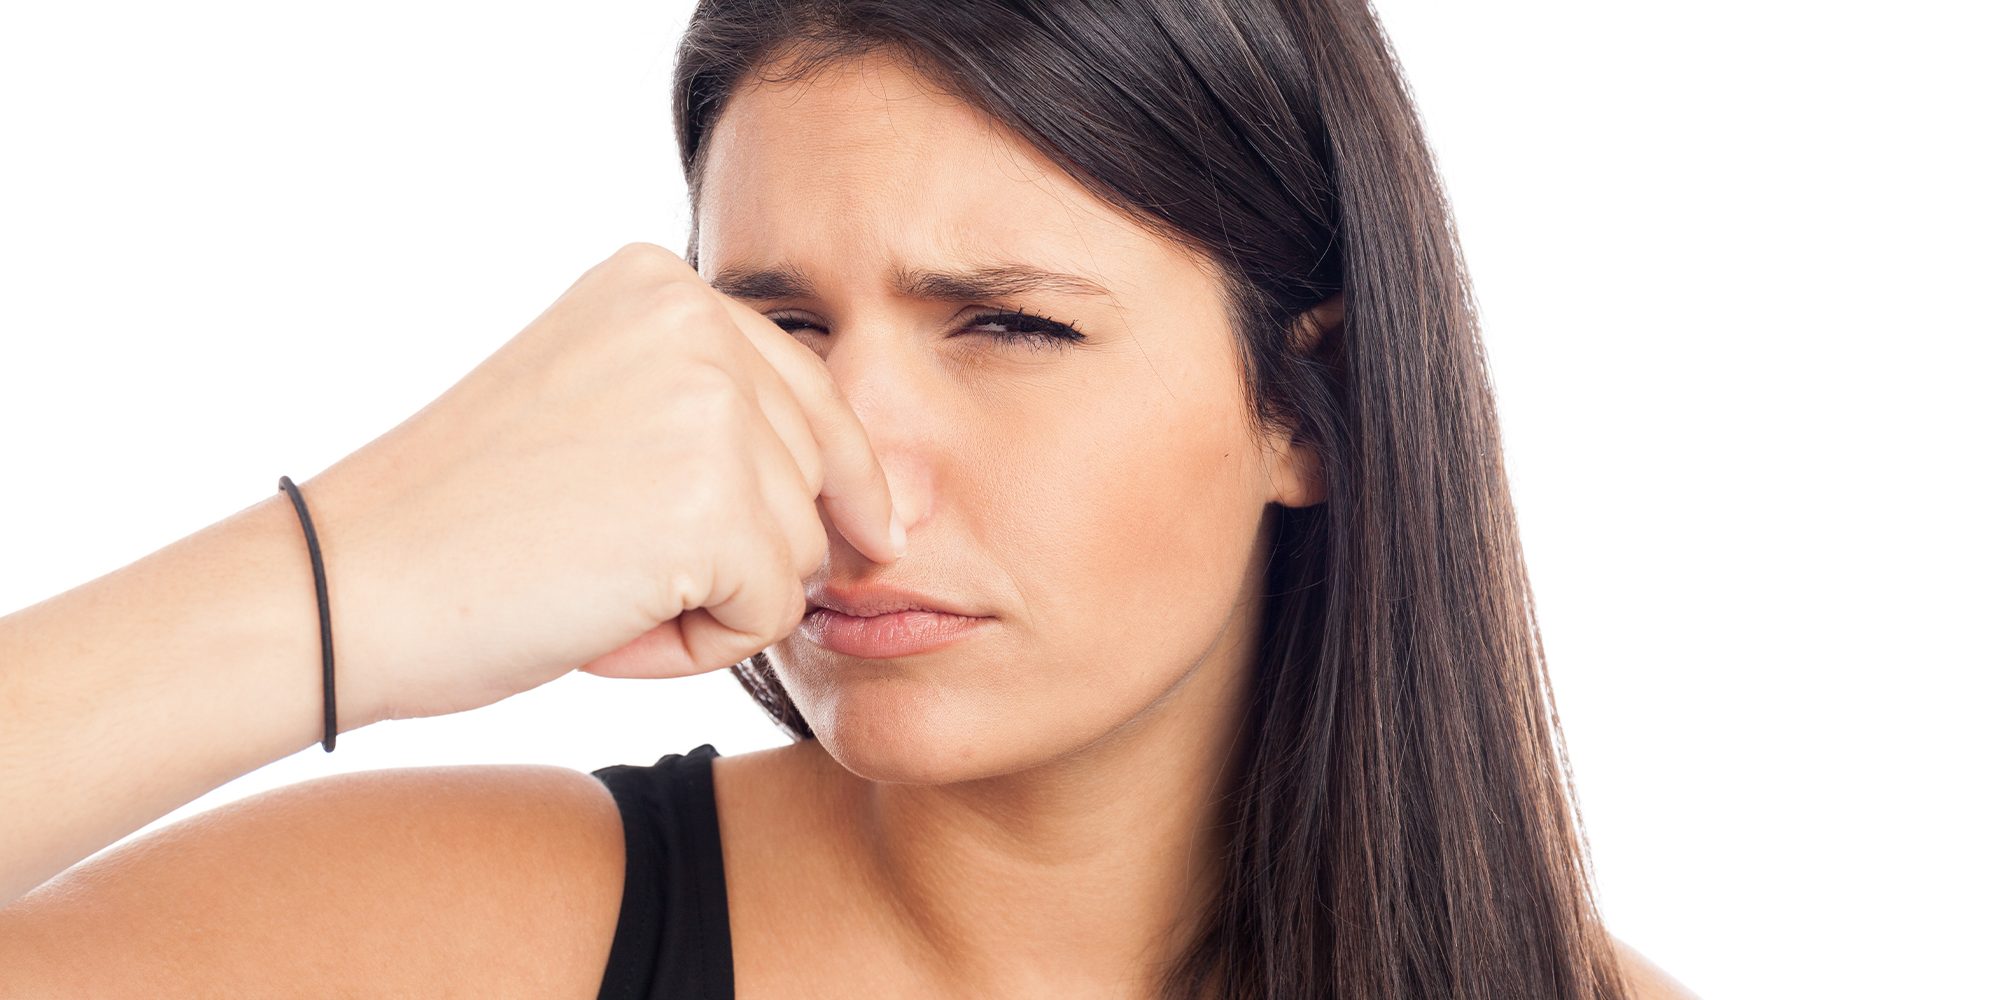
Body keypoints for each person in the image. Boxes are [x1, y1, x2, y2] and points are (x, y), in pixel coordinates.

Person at [0, 1, 1700, 997]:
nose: (851, 481)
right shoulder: (484, 934)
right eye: (780, 330)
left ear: (1308, 411)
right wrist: (348, 579)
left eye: (1009, 326)